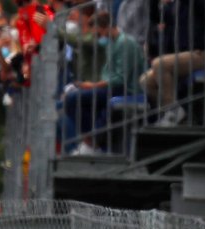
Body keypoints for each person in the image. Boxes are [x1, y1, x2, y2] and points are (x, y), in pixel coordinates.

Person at [62, 11, 146, 153]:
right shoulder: (112, 43)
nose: (99, 37)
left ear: (106, 27)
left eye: (99, 33)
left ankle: (93, 141)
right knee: (71, 98)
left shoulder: (125, 43)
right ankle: (94, 141)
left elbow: (120, 79)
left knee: (73, 99)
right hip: (113, 86)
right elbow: (108, 75)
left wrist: (92, 86)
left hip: (126, 88)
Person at [142, 0, 205, 125]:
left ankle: (173, 111)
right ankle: (174, 115)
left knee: (160, 64)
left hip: (201, 52)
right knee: (146, 80)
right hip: (180, 56)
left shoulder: (193, 5)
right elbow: (154, 18)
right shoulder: (170, 8)